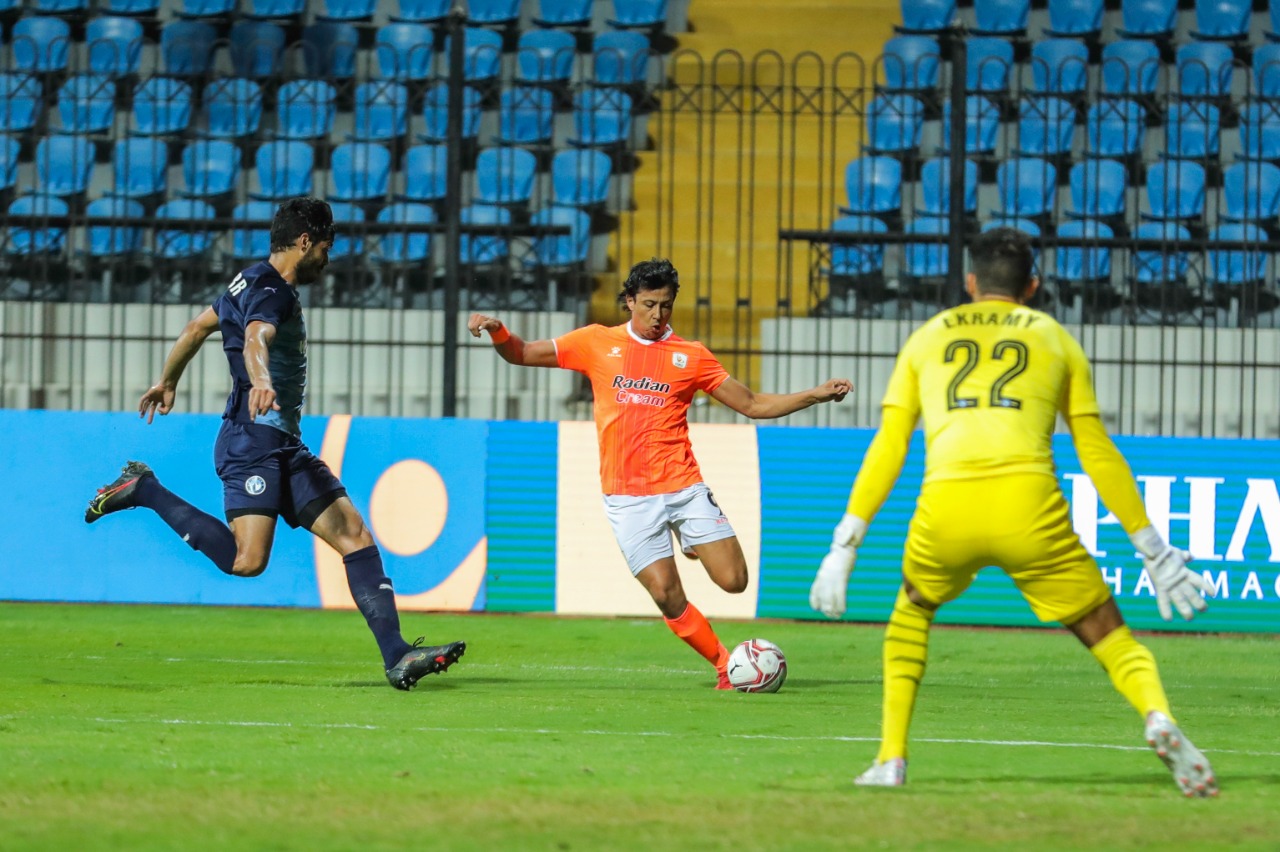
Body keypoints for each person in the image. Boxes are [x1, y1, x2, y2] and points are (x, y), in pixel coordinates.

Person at [809, 227, 1218, 796]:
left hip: (947, 509)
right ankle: (1156, 715)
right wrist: (1151, 547)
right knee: (1108, 632)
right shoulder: (1055, 338)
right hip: (1030, 508)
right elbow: (1096, 451)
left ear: (970, 282)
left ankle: (890, 759)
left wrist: (845, 544)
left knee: (912, 612)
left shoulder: (926, 337)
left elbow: (890, 446)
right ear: (1032, 286)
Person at [84, 197, 465, 691]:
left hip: (283, 443)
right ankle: (144, 489)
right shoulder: (274, 292)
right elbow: (256, 338)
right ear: (305, 242)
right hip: (252, 441)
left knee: (354, 534)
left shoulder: (245, 280)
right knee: (247, 560)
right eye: (325, 248)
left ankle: (397, 655)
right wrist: (261, 379)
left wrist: (167, 381)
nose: (327, 259)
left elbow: (197, 328)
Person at [469, 258, 852, 687]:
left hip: (682, 486)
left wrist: (815, 395)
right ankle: (724, 666)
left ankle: (689, 538)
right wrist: (498, 331)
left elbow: (752, 405)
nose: (657, 315)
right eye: (649, 305)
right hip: (626, 497)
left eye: (665, 306)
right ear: (629, 301)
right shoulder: (596, 342)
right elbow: (521, 353)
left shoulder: (692, 356)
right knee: (666, 594)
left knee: (735, 581)